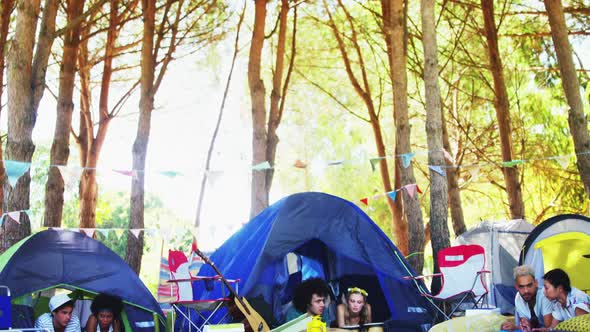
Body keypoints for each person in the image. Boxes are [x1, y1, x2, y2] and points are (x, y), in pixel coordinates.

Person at [500, 265, 553, 331]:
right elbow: (525, 325)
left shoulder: (545, 295)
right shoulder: (518, 298)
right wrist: (515, 327)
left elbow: (548, 327)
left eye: (529, 285)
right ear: (516, 287)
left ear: (536, 283)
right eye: (521, 287)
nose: (526, 291)